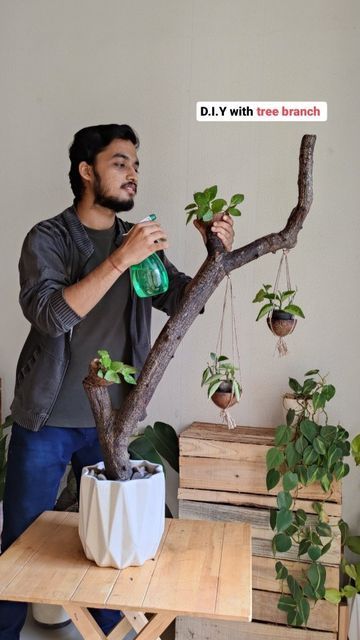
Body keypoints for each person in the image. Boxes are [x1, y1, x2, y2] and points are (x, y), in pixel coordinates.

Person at [0, 123, 234, 639]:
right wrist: (119, 259)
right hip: (47, 421)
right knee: (18, 545)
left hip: (115, 425)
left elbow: (180, 301)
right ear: (87, 171)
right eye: (120, 162)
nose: (133, 174)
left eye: (135, 164)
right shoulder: (48, 238)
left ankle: (110, 634)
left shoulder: (138, 241)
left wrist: (216, 256)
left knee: (117, 549)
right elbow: (52, 315)